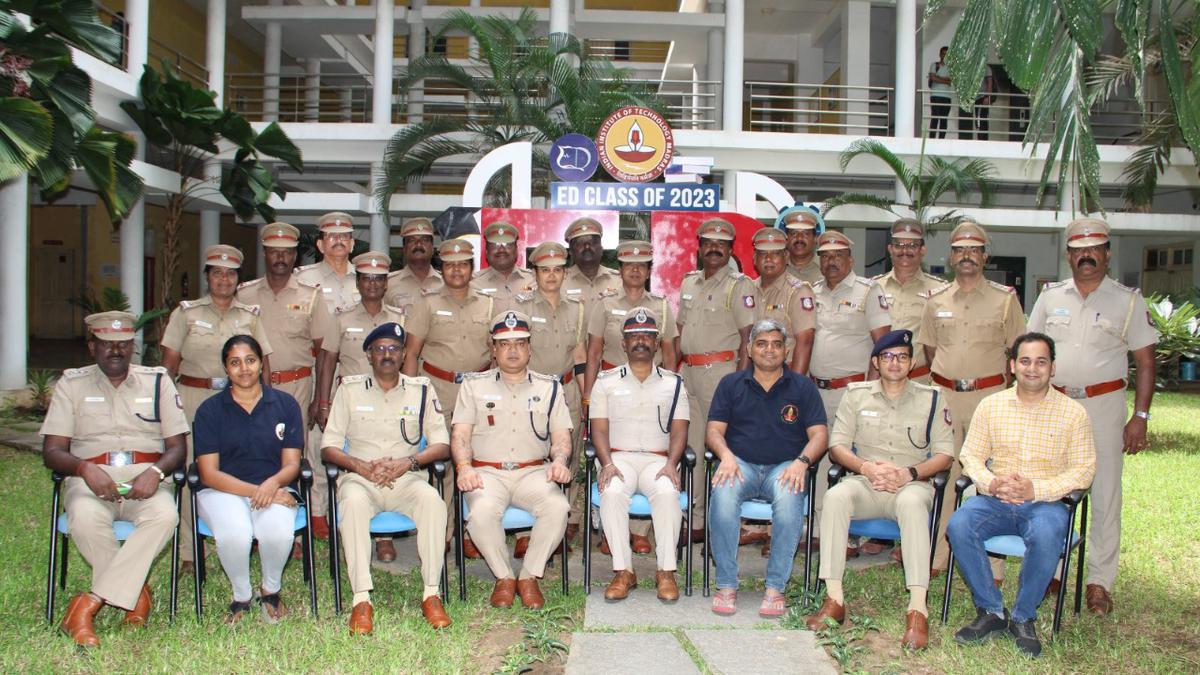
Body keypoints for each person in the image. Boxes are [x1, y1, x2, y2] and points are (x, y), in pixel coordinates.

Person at [1027, 217, 1157, 614]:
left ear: (1107, 253)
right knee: (1050, 488)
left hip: (1104, 405)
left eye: (1094, 248)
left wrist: (1141, 416)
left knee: (1103, 493)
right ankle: (1053, 566)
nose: (1086, 256)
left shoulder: (1128, 300)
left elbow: (1145, 362)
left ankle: (1099, 580)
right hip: (1055, 405)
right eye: (1079, 249)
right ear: (1069, 255)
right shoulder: (1050, 297)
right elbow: (1030, 350)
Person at [42, 312, 189, 647]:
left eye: (123, 344)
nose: (116, 351)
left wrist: (155, 472)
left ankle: (85, 606)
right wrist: (83, 469)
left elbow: (178, 446)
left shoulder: (158, 381)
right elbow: (52, 451)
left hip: (146, 482)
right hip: (91, 483)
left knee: (166, 516)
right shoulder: (72, 384)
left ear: (133, 347)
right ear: (92, 345)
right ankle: (135, 594)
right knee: (83, 519)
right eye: (107, 344)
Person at [948, 332, 1096, 658]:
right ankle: (991, 611)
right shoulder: (991, 405)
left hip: (1046, 503)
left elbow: (1084, 470)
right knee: (959, 524)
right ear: (1013, 365)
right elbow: (971, 456)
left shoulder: (1074, 414)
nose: (1033, 369)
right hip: (995, 499)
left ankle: (1023, 616)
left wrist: (1036, 489)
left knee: (1048, 532)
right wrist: (992, 483)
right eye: (1025, 361)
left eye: (1041, 362)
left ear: (1052, 368)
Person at [806, 330, 954, 649]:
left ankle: (917, 609)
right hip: (867, 483)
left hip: (911, 485)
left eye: (902, 356)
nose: (895, 363)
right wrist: (866, 468)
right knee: (835, 496)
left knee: (914, 505)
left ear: (912, 362)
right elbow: (838, 446)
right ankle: (834, 599)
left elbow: (945, 454)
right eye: (887, 357)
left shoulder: (932, 398)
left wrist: (908, 473)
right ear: (876, 362)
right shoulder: (856, 394)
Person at [321, 322, 453, 633]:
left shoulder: (422, 390)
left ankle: (431, 593)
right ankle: (361, 599)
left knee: (433, 502)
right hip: (361, 479)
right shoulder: (349, 390)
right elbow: (328, 446)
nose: (387, 355)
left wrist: (409, 462)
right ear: (368, 355)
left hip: (405, 478)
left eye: (393, 348)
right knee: (351, 504)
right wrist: (360, 466)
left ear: (404, 353)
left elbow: (442, 444)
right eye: (379, 349)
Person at [918, 220, 1025, 575]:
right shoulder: (935, 301)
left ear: (985, 256)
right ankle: (938, 557)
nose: (967, 256)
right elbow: (931, 351)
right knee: (944, 476)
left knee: (990, 478)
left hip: (990, 398)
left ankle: (993, 565)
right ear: (951, 257)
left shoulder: (1005, 300)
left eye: (974, 249)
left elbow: (1018, 352)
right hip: (946, 396)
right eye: (961, 250)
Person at [451, 311, 573, 610]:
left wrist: (559, 461)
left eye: (520, 342)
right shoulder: (473, 386)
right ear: (493, 349)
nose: (513, 350)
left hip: (533, 471)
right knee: (481, 513)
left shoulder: (550, 387)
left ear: (530, 347)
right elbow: (460, 435)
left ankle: (529, 576)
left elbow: (561, 438)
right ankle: (504, 577)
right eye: (504, 344)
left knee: (557, 507)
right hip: (487, 473)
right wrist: (464, 467)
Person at [706, 319, 828, 617]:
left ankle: (775, 587)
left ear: (787, 350)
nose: (769, 350)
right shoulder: (731, 384)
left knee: (789, 502)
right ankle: (726, 584)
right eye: (761, 343)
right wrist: (726, 456)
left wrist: (802, 463)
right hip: (741, 465)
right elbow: (713, 431)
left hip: (784, 467)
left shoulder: (802, 387)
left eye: (776, 344)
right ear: (749, 350)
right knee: (722, 495)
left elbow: (820, 435)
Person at [160, 244, 273, 567]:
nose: (224, 279)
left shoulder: (249, 317)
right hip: (195, 400)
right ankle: (189, 552)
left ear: (239, 279)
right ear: (207, 276)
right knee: (190, 474)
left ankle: (245, 537)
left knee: (242, 465)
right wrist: (164, 411)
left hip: (241, 401)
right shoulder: (186, 314)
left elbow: (262, 363)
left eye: (231, 273)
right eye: (217, 273)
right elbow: (168, 366)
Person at [236, 222, 335, 556]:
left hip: (296, 387)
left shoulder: (310, 296)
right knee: (253, 454)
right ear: (264, 253)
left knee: (293, 459)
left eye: (287, 252)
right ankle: (251, 527)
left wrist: (318, 399)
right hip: (251, 388)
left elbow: (325, 350)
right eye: (274, 251)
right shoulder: (245, 294)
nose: (280, 258)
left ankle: (291, 533)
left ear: (295, 255)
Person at [193, 335, 302, 624]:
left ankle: (270, 591)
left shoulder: (285, 404)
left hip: (273, 485)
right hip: (221, 491)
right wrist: (261, 490)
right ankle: (241, 595)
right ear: (226, 369)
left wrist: (273, 485)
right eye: (235, 362)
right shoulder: (209, 411)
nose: (244, 368)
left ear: (261, 363)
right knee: (235, 534)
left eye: (250, 360)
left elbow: (292, 464)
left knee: (278, 532)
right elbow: (209, 473)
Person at [584, 240, 679, 554]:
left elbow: (670, 354)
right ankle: (611, 531)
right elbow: (594, 352)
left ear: (650, 270)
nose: (635, 270)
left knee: (647, 449)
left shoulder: (662, 306)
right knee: (613, 453)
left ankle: (638, 532)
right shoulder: (605, 303)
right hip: (610, 388)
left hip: (651, 389)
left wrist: (669, 392)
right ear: (620, 270)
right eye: (628, 265)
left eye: (642, 265)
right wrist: (587, 395)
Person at [590, 307, 689, 602]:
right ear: (623, 344)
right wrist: (606, 463)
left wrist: (672, 463)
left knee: (668, 492)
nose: (641, 341)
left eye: (647, 335)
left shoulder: (674, 383)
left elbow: (680, 429)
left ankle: (666, 571)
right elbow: (598, 430)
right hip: (618, 458)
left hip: (658, 460)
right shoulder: (606, 381)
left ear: (657, 343)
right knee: (612, 491)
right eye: (634, 336)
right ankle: (624, 571)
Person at [404, 238, 495, 554]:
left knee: (477, 461)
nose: (457, 270)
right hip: (437, 391)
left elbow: (496, 355)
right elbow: (411, 354)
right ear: (441, 268)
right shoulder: (426, 304)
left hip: (478, 392)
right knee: (440, 463)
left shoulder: (490, 303)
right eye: (450, 264)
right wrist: (412, 397)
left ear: (472, 268)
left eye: (463, 264)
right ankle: (440, 535)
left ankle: (473, 534)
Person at [677, 218, 757, 544]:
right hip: (690, 375)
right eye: (707, 242)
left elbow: (748, 339)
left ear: (729, 249)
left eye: (720, 244)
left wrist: (741, 384)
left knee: (726, 450)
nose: (713, 248)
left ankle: (725, 522)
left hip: (722, 376)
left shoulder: (740, 286)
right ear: (699, 247)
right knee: (692, 449)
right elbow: (680, 330)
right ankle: (695, 522)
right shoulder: (688, 283)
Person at [513, 242, 587, 557]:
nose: (552, 276)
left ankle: (562, 524)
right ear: (535, 273)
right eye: (545, 270)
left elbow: (579, 354)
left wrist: (587, 397)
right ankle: (526, 531)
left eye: (558, 270)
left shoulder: (578, 309)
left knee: (565, 455)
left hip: (568, 390)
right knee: (531, 457)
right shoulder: (523, 309)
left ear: (565, 273)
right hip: (534, 393)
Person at [752, 227, 815, 373]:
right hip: (754, 380)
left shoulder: (798, 291)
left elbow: (805, 342)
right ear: (754, 258)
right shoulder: (747, 289)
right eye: (763, 254)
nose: (768, 259)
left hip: (784, 378)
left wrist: (794, 388)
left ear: (786, 257)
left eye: (775, 253)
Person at [294, 211, 360, 314]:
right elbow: (297, 316)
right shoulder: (303, 278)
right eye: (331, 236)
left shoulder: (365, 278)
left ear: (351, 244)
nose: (338, 241)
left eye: (344, 236)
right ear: (320, 245)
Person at [561, 217, 621, 312]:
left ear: (601, 248)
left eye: (593, 242)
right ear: (571, 251)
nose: (587, 247)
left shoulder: (619, 281)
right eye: (580, 243)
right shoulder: (559, 281)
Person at [386, 217, 444, 316]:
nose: (418, 245)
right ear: (404, 249)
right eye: (412, 240)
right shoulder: (388, 284)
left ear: (432, 248)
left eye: (424, 240)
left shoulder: (446, 282)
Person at [472, 221, 534, 309]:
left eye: (507, 245)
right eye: (495, 245)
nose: (501, 249)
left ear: (516, 250)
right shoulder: (472, 283)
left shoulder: (534, 280)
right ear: (486, 252)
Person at [779, 205, 824, 285]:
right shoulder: (775, 267)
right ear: (786, 239)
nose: (799, 238)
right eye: (794, 233)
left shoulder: (827, 266)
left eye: (806, 233)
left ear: (815, 238)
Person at [959, 68, 995, 141]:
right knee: (980, 118)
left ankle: (982, 138)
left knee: (981, 118)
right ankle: (982, 137)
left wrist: (988, 96)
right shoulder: (976, 67)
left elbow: (990, 82)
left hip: (983, 97)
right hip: (977, 97)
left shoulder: (986, 68)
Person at [928, 46, 952, 139]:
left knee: (944, 119)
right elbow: (932, 78)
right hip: (935, 95)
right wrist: (945, 80)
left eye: (946, 54)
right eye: (943, 53)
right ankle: (932, 139)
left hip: (947, 97)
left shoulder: (951, 68)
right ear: (940, 54)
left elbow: (951, 81)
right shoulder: (934, 65)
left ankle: (941, 140)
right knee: (935, 117)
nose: (944, 56)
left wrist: (938, 78)